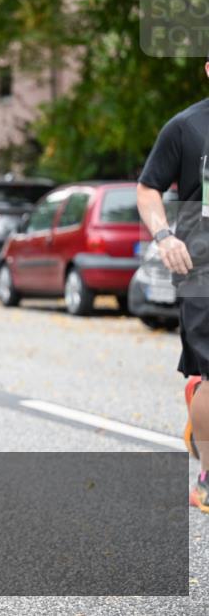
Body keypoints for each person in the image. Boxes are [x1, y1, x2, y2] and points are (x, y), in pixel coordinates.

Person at [137, 54, 209, 514]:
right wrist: (163, 236)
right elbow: (148, 189)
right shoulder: (186, 127)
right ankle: (206, 477)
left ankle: (197, 408)